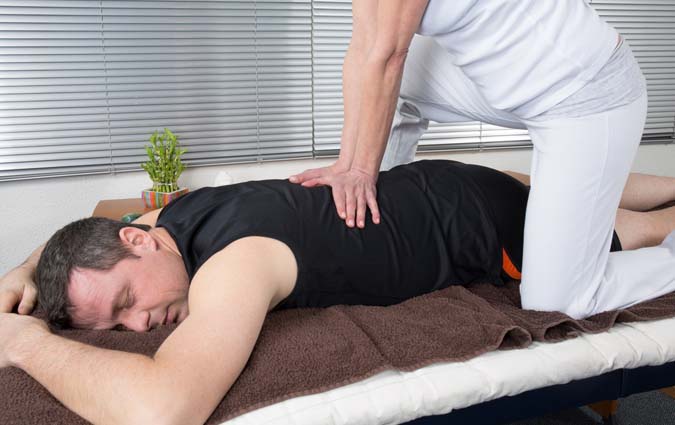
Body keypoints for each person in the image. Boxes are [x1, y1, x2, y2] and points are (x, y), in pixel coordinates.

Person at [1, 159, 675, 424]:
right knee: (565, 185)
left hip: (486, 226)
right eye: (117, 327)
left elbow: (164, 410)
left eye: (126, 303)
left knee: (641, 230)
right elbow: (90, 229)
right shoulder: (169, 217)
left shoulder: (234, 266)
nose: (140, 325)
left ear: (137, 243)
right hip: (442, 180)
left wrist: (26, 344)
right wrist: (23, 271)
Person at [287, 0, 665, 319]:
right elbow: (365, 46)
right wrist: (347, 167)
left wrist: (358, 171)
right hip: (519, 78)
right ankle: (387, 214)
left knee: (556, 303)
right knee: (392, 82)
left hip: (584, 95)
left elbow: (386, 55)